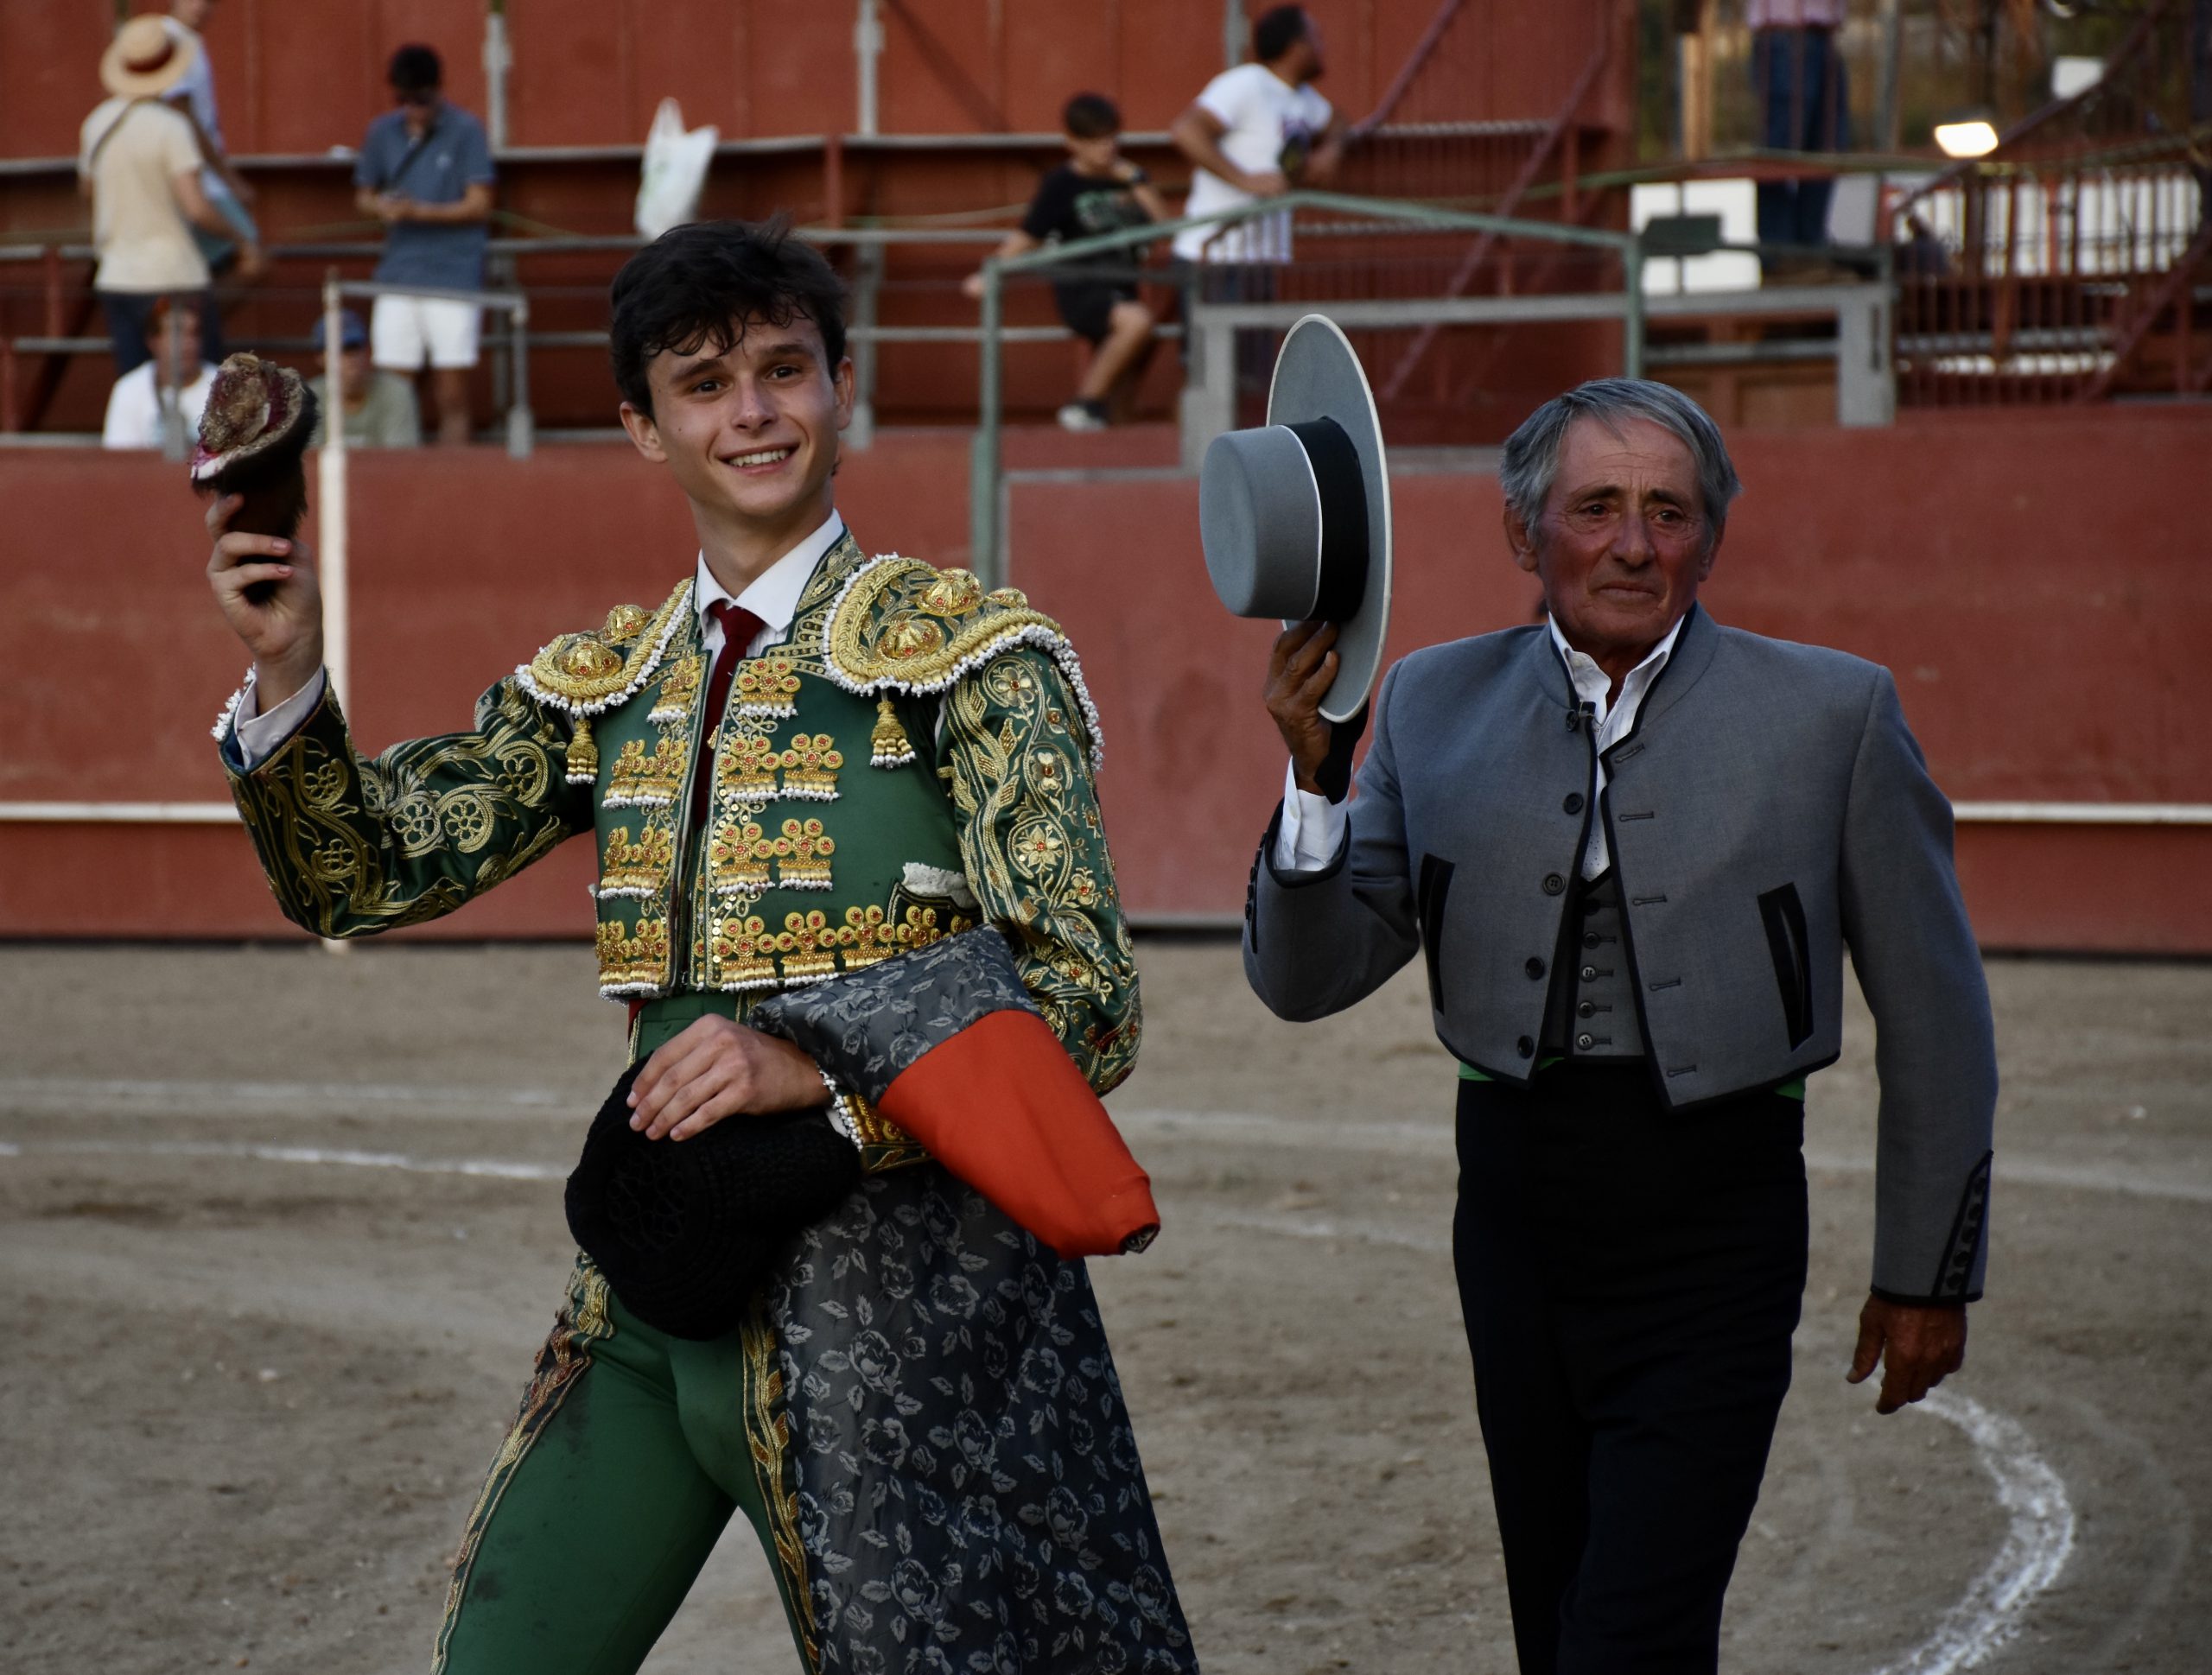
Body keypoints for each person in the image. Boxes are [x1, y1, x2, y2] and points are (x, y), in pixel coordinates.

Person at [205, 219, 1197, 1675]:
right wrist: (289, 668)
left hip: (905, 1315)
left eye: (785, 369)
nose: (753, 410)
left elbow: (1087, 1006)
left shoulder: (973, 656)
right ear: (643, 426)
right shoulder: (610, 682)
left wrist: (819, 1073)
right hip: (660, 1286)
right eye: (706, 381)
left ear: (841, 386)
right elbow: (362, 877)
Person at [1243, 378, 1997, 1674]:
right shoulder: (1428, 701)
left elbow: (1936, 1011)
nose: (1635, 543)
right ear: (1523, 532)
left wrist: (1927, 1267)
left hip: (1719, 1219)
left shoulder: (1834, 712)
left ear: (1713, 537)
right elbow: (1308, 978)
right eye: (1596, 507)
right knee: (1559, 1613)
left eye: (1670, 510)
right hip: (1515, 1220)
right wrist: (1315, 780)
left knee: (1630, 1635)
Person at [964, 92, 1169, 432]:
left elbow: (1165, 228)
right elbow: (1029, 234)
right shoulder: (1061, 184)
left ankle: (1110, 454)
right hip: (1083, 287)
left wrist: (1136, 182)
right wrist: (990, 272)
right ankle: (1083, 404)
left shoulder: (1130, 178)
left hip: (1125, 287)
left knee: (1127, 390)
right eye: (1096, 141)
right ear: (1072, 143)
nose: (1107, 148)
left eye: (1111, 138)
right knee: (1137, 323)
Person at [79, 14, 259, 376]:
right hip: (174, 275)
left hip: (117, 274)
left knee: (137, 386)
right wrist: (240, 239)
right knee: (199, 390)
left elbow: (88, 191)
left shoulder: (96, 123)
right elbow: (196, 207)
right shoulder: (171, 127)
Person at [353, 43, 495, 446]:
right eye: (404, 99)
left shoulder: (467, 130)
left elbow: (480, 204)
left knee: (452, 392)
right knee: (394, 391)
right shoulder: (381, 132)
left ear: (438, 89)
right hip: (398, 271)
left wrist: (416, 211)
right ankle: (396, 479)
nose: (414, 108)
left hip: (453, 273)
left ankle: (457, 483)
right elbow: (363, 196)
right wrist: (382, 207)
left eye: (421, 99)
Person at [1170, 6, 1342, 271]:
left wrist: (1332, 149)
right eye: (1316, 38)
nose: (1323, 47)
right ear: (1297, 46)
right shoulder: (1247, 83)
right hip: (1216, 254)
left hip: (1263, 256)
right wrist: (1243, 180)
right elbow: (1187, 130)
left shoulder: (1303, 97)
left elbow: (1339, 122)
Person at [162, 0, 260, 285]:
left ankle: (186, 325)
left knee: (193, 270)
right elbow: (185, 117)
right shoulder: (170, 40)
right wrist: (229, 177)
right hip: (196, 178)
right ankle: (198, 328)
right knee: (252, 257)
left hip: (196, 174)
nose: (200, 6)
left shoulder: (189, 41)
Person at [1750, 0, 1849, 274]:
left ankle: (1808, 248)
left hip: (1820, 34)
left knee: (1827, 146)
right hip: (1785, 31)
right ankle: (1781, 254)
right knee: (1781, 146)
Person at [101, 293, 213, 449]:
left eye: (194, 333)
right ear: (153, 340)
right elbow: (120, 461)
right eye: (177, 333)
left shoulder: (226, 388)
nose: (188, 344)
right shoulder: (128, 389)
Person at [306, 308, 422, 447]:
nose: (351, 359)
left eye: (356, 348)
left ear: (369, 352)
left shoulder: (397, 392)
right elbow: (309, 460)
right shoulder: (309, 399)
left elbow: (401, 459)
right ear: (321, 358)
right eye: (341, 350)